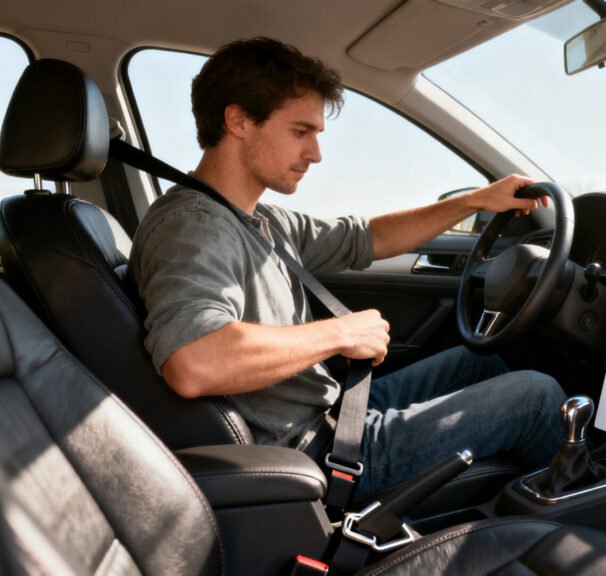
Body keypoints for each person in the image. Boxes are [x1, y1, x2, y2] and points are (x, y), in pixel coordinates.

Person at [128, 37, 565, 495]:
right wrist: (342, 334)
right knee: (537, 397)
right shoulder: (193, 227)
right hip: (314, 451)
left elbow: (369, 237)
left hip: (333, 413)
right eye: (300, 132)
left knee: (483, 362)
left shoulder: (258, 219)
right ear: (238, 121)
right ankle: (598, 512)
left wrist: (476, 201)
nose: (315, 154)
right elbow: (193, 360)